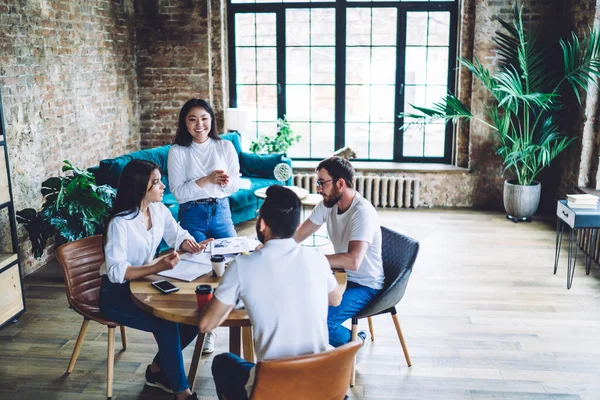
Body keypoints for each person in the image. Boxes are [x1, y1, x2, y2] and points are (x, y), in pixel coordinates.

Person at [198, 185, 344, 400]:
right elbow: (336, 299)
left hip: (274, 388)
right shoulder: (317, 258)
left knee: (223, 362)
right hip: (323, 384)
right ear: (295, 227)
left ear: (263, 224)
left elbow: (206, 325)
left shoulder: (243, 265)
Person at [99, 159, 210, 400]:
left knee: (192, 318)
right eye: (157, 182)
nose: (163, 187)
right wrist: (157, 266)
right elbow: (117, 272)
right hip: (116, 294)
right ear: (140, 188)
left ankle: (158, 369)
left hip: (146, 283)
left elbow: (177, 234)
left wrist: (190, 244)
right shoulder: (120, 223)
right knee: (166, 323)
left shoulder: (158, 210)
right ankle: (183, 392)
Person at [168, 99, 241, 353]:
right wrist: (206, 179)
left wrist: (223, 183)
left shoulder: (225, 146)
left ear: (211, 120)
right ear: (184, 123)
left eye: (204, 118)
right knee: (198, 270)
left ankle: (235, 319)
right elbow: (178, 193)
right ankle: (206, 330)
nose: (200, 125)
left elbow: (235, 185)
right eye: (192, 119)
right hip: (192, 213)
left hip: (221, 210)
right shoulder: (178, 151)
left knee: (234, 263)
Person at [294, 156, 384, 350]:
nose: (318, 188)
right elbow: (299, 234)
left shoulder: (362, 213)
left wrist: (314, 259)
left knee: (321, 323)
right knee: (301, 307)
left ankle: (357, 343)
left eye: (321, 182)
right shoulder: (328, 205)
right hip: (341, 276)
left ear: (340, 183)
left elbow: (353, 261)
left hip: (365, 285)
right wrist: (273, 246)